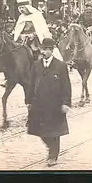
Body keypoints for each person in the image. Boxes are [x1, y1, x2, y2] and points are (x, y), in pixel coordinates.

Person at [25, 38, 71, 167]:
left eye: (46, 49)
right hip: (39, 104)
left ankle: (53, 155)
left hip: (55, 105)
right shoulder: (36, 65)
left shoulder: (61, 66)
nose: (43, 52)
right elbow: (31, 84)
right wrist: (28, 100)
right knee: (39, 131)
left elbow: (66, 86)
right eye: (41, 49)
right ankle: (50, 148)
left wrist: (66, 103)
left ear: (52, 50)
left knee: (54, 131)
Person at [1, 0, 63, 87]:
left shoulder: (37, 15)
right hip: (23, 40)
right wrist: (17, 34)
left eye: (23, 7)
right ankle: (9, 78)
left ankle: (42, 71)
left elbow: (41, 29)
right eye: (20, 8)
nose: (21, 10)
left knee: (37, 53)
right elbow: (18, 29)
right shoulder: (21, 17)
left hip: (35, 39)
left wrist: (33, 35)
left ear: (27, 7)